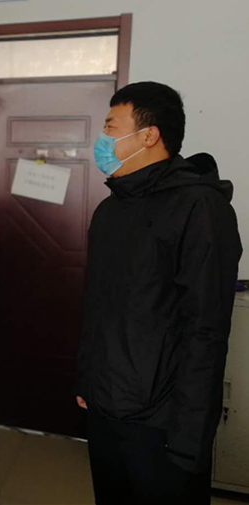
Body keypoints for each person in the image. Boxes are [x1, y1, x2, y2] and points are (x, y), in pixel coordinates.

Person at [76, 82, 242, 505]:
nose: (102, 139)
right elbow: (98, 308)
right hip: (105, 406)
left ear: (149, 135)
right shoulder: (110, 210)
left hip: (163, 422)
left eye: (111, 127)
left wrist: (190, 435)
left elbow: (206, 330)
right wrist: (87, 379)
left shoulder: (200, 209)